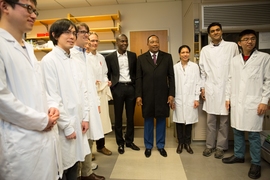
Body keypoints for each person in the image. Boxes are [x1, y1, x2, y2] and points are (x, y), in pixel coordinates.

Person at [0, 0, 63, 180]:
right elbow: (2, 99)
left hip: (43, 137)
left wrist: (52, 105)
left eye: (35, 10)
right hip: (21, 142)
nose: (34, 15)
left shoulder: (27, 47)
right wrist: (41, 121)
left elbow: (39, 86)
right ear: (4, 6)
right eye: (28, 8)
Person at [41, 19, 91, 180]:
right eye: (67, 32)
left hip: (78, 121)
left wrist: (86, 117)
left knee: (75, 165)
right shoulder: (49, 61)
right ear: (55, 35)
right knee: (64, 168)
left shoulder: (74, 60)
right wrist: (67, 127)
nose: (72, 36)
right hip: (64, 127)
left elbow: (83, 91)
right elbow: (52, 97)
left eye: (74, 33)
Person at [222, 29, 270, 179]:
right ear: (240, 43)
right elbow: (230, 79)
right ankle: (239, 155)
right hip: (237, 101)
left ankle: (256, 163)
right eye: (246, 39)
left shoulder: (264, 58)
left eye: (252, 39)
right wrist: (228, 98)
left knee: (254, 134)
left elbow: (268, 81)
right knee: (237, 130)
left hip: (254, 102)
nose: (250, 41)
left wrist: (264, 101)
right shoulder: (235, 60)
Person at [70, 23, 105, 180]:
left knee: (89, 139)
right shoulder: (71, 55)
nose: (86, 35)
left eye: (87, 32)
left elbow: (90, 82)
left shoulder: (85, 55)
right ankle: (80, 174)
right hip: (79, 108)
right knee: (80, 142)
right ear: (74, 35)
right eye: (82, 32)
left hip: (90, 104)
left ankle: (87, 173)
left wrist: (96, 102)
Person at [199, 22, 239, 159]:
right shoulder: (205, 50)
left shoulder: (232, 46)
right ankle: (209, 146)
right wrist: (203, 88)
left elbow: (236, 67)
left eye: (217, 30)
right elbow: (202, 71)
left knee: (224, 121)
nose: (215, 32)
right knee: (210, 121)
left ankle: (221, 147)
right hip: (211, 89)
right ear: (209, 34)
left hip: (227, 88)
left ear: (221, 31)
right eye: (212, 31)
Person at [136, 35, 175, 158]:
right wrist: (138, 95)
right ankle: (148, 146)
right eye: (152, 42)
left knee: (161, 121)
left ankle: (160, 145)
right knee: (148, 121)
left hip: (162, 95)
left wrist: (171, 94)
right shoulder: (141, 58)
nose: (155, 44)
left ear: (159, 43)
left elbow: (171, 77)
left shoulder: (167, 57)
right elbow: (138, 78)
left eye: (157, 42)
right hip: (147, 95)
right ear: (147, 44)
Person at [105, 34, 140, 154]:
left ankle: (129, 141)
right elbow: (108, 74)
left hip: (130, 88)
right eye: (122, 41)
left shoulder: (132, 55)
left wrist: (136, 87)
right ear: (117, 43)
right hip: (118, 88)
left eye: (126, 41)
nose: (124, 43)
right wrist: (112, 87)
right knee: (118, 117)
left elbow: (135, 73)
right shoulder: (110, 57)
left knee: (131, 117)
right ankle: (120, 142)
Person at [86, 32, 113, 156]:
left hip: (101, 91)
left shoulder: (101, 57)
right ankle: (88, 151)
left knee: (102, 120)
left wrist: (106, 81)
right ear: (87, 41)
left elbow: (104, 73)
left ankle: (101, 146)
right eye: (92, 41)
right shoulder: (84, 57)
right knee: (91, 120)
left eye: (96, 41)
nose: (94, 43)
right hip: (89, 92)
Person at [173, 45, 200, 154]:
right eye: (183, 52)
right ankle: (180, 143)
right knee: (179, 122)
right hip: (178, 98)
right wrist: (172, 99)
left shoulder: (194, 66)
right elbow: (172, 84)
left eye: (187, 52)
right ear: (179, 54)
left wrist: (196, 98)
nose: (185, 54)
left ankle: (187, 144)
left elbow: (198, 82)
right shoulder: (175, 67)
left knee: (189, 122)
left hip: (190, 98)